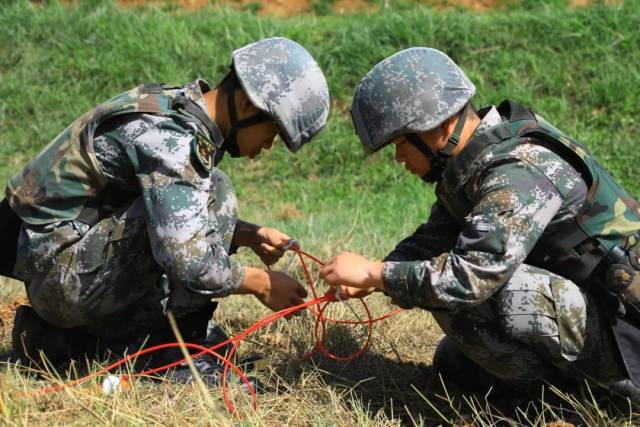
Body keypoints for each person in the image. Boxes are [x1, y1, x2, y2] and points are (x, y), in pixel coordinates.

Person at [320, 47, 640, 400]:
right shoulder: (473, 164)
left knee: (486, 292)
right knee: (453, 363)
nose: (398, 158)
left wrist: (376, 274)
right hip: (599, 316)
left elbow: (472, 278)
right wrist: (381, 272)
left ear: (437, 126)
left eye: (399, 143)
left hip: (626, 332)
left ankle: (564, 403)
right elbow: (435, 237)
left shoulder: (518, 169)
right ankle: (564, 390)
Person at [3, 37, 330, 372]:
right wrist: (261, 282)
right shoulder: (175, 143)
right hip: (62, 279)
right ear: (247, 106)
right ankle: (176, 351)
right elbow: (186, 258)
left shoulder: (176, 105)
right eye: (273, 131)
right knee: (215, 196)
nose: (268, 145)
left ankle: (69, 342)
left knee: (214, 189)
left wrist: (246, 234)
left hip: (65, 259)